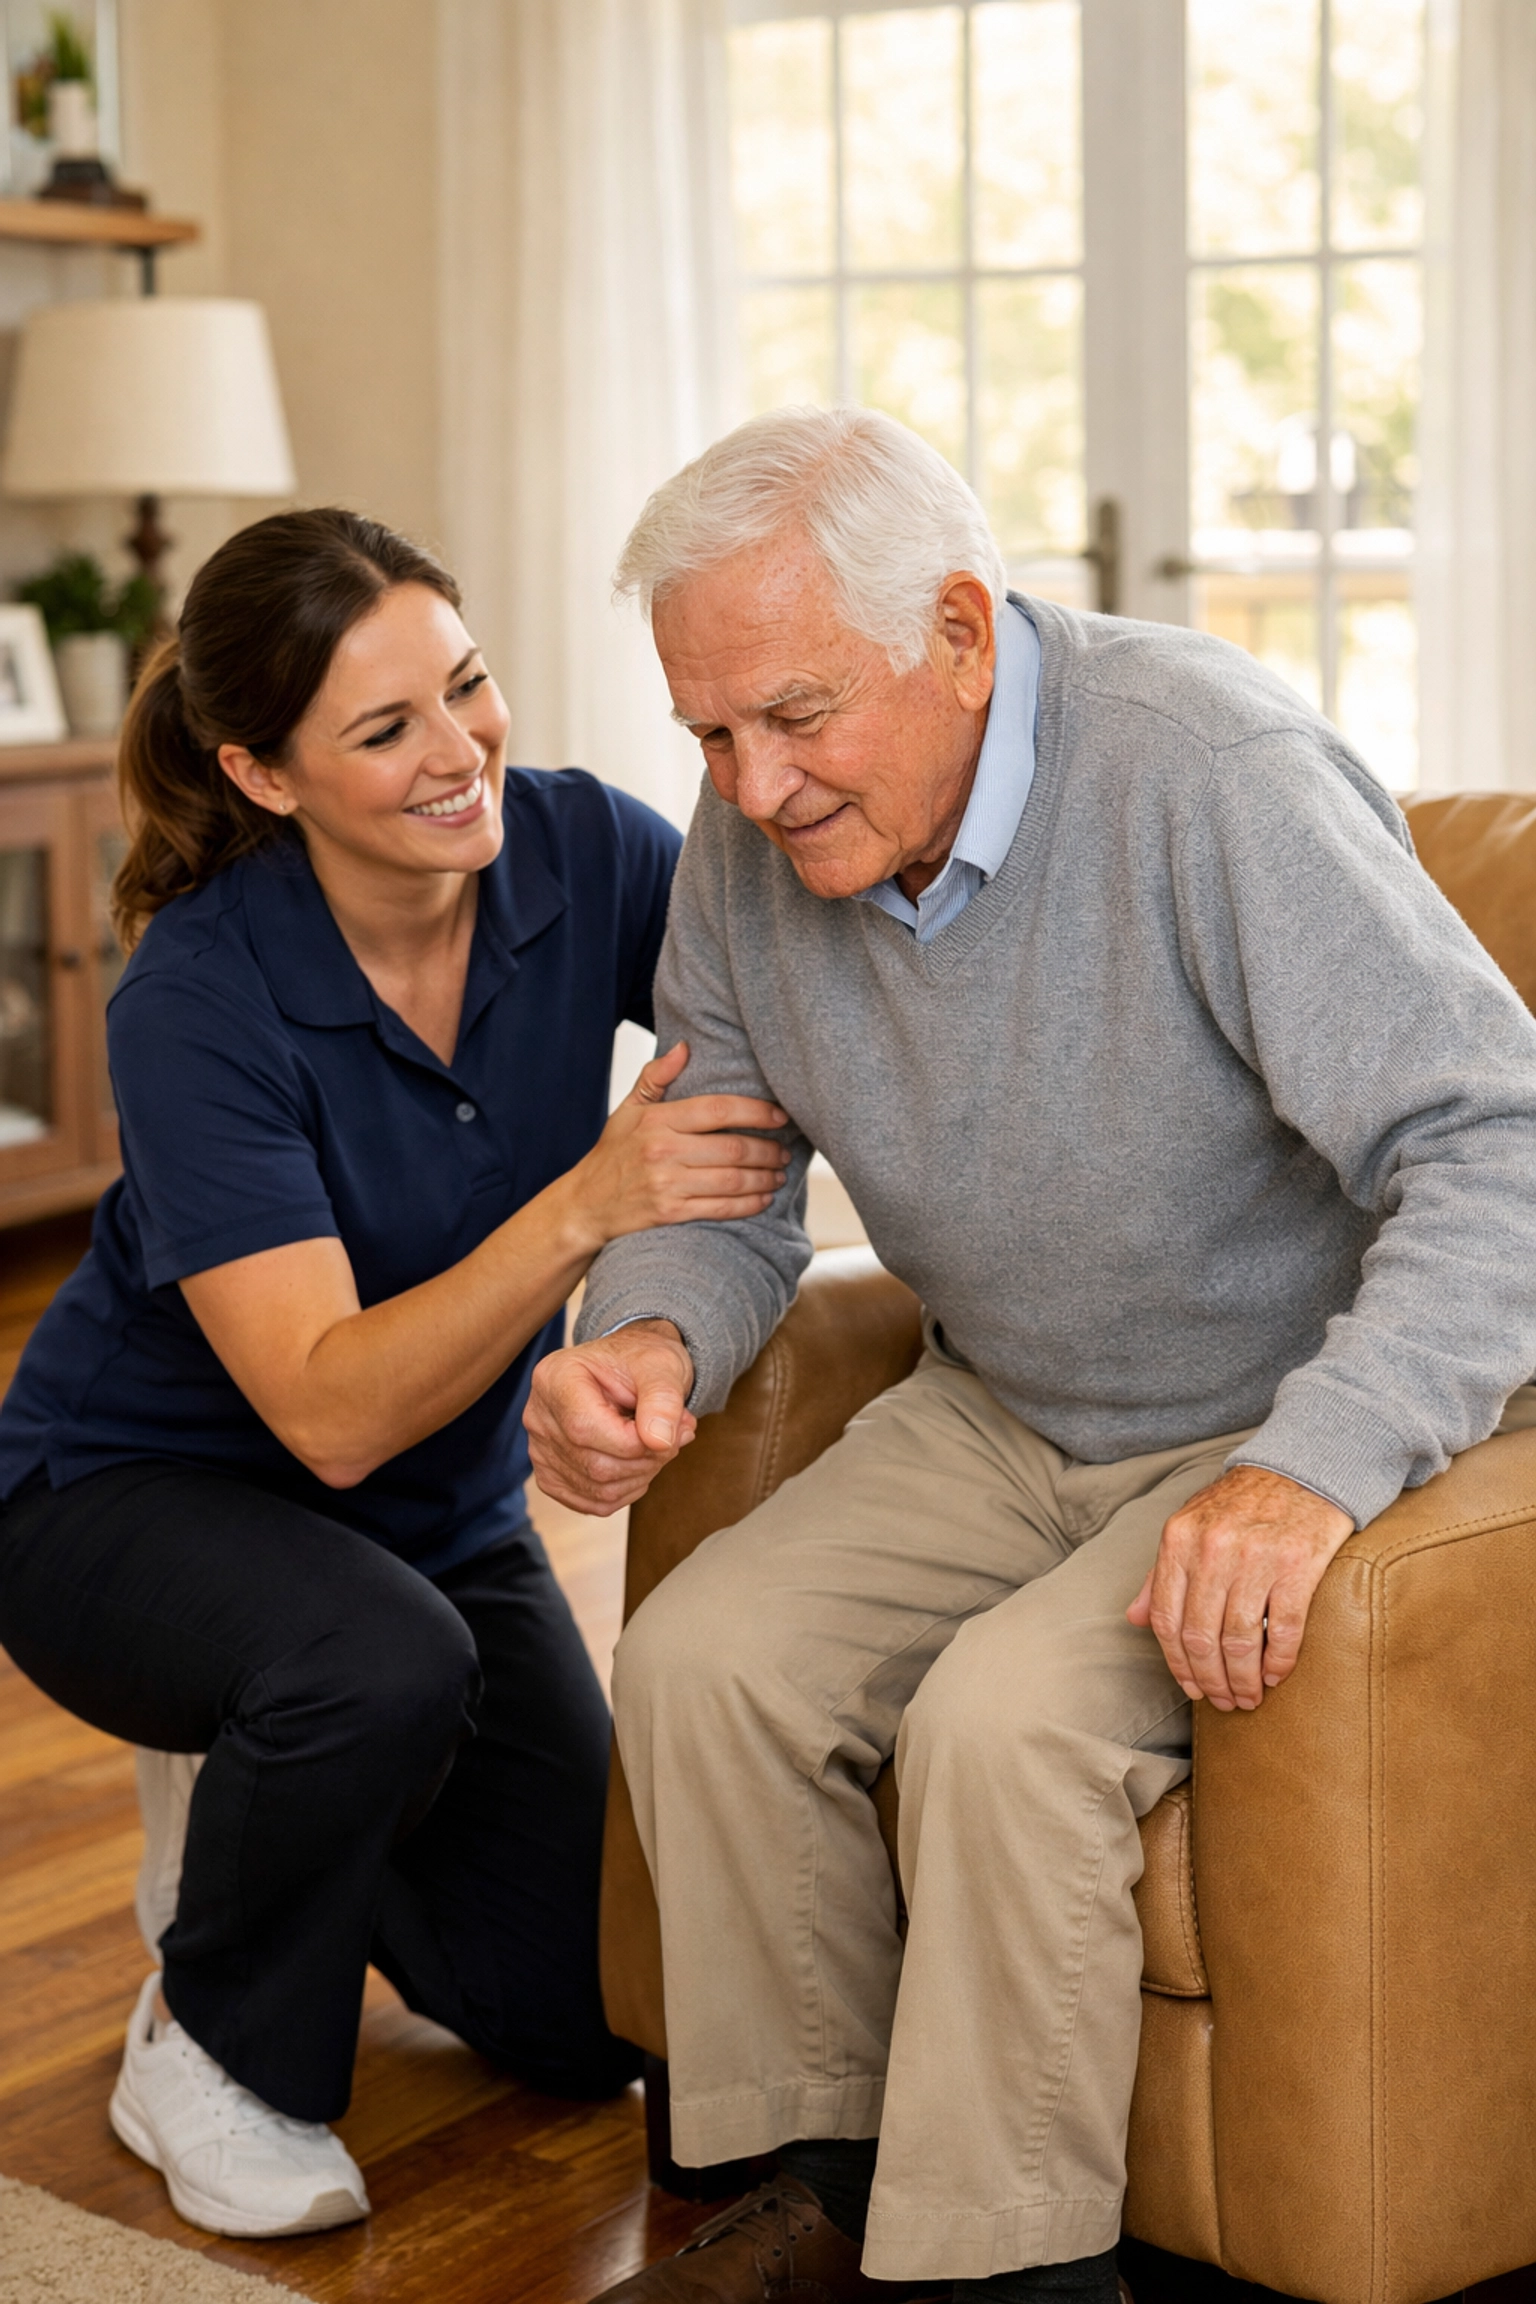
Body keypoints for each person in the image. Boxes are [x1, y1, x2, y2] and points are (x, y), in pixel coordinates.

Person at [523, 407, 1536, 2304]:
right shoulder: (755, 846)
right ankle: (817, 2189)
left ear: (965, 635)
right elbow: (721, 1164)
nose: (748, 788)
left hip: (1279, 1399)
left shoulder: (1208, 773)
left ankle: (1002, 2278)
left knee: (1001, 1729)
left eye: (798, 715)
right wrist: (646, 1332)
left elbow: (1500, 1146)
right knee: (703, 1660)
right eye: (709, 732)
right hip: (1010, 1399)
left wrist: (1314, 1466)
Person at [0, 508, 789, 2242]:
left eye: (469, 684)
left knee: (589, 2024)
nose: (461, 752)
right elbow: (330, 1411)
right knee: (371, 1657)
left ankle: (295, 1813)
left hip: (426, 1527)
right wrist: (589, 1201)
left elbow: (777, 1021)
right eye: (386, 729)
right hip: (133, 1503)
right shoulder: (196, 995)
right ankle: (206, 2038)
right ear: (261, 775)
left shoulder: (580, 849)